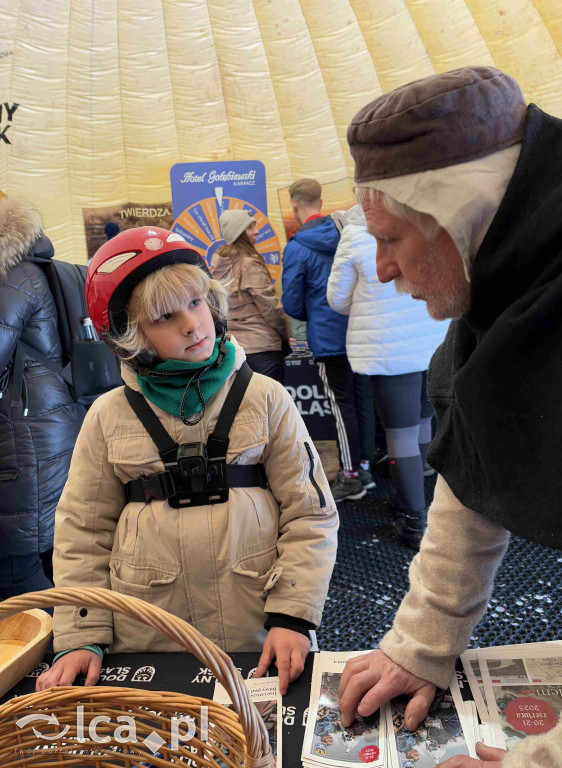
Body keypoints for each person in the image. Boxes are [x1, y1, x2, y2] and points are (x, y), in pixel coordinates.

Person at [337, 66, 562, 766]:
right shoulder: (507, 274)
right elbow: (474, 459)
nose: (381, 270)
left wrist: (550, 759)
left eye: (392, 239)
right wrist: (421, 643)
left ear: (456, 215)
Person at [36, 226, 338, 696]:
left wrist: (293, 616)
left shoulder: (266, 398)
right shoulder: (108, 416)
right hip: (149, 642)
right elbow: (82, 531)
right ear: (131, 337)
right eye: (164, 316)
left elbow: (311, 514)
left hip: (258, 636)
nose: (192, 324)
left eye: (197, 303)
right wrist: (81, 635)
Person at [327, 204, 449, 547]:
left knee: (401, 437)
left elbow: (336, 299)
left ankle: (415, 521)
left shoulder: (355, 235)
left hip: (390, 348)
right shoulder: (423, 221)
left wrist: (367, 300)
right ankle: (419, 493)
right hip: (433, 339)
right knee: (423, 424)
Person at [0, 196, 86, 598]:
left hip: (25, 435)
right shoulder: (40, 269)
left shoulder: (9, 277)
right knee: (49, 553)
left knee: (19, 568)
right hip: (53, 420)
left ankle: (50, 649)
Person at [282, 178, 367, 503]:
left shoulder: (298, 246)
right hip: (359, 330)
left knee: (340, 403)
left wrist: (312, 315)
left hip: (328, 337)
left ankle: (349, 475)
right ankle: (363, 466)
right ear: (321, 200)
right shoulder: (349, 231)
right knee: (361, 400)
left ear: (294, 205)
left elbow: (291, 303)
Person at [211, 209, 290, 384]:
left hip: (234, 350)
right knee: (271, 407)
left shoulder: (218, 265)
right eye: (250, 227)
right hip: (263, 348)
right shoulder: (249, 263)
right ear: (239, 233)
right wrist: (286, 335)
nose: (257, 231)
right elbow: (270, 308)